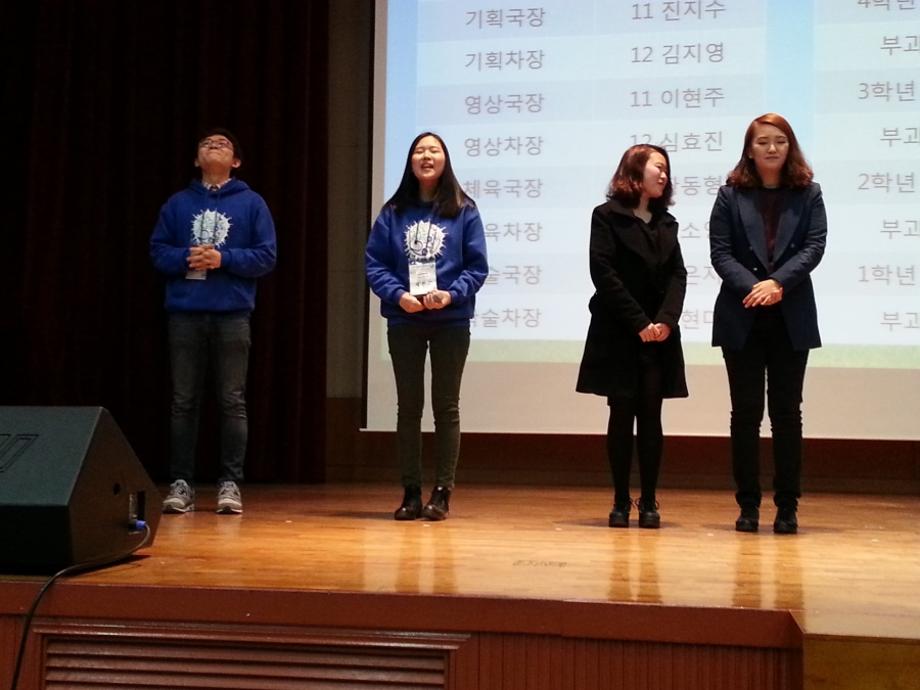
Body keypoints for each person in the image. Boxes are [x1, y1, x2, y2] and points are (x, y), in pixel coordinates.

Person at [709, 113, 826, 535]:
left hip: (791, 315)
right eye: (762, 141)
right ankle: (748, 505)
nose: (771, 148)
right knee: (745, 414)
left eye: (779, 140)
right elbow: (720, 253)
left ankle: (788, 506)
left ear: (790, 146)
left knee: (787, 413)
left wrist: (777, 284)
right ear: (749, 149)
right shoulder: (730, 195)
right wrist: (756, 287)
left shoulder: (808, 193)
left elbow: (814, 246)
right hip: (742, 314)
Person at [150, 127, 277, 515]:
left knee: (232, 401)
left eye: (223, 144)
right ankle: (181, 483)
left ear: (236, 161)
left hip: (232, 314)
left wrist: (224, 259)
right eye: (206, 143)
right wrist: (185, 258)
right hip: (185, 313)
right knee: (183, 401)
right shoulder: (177, 203)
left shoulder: (252, 203)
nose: (214, 145)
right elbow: (157, 251)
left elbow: (266, 256)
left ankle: (229, 483)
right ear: (196, 159)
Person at [365, 132, 488, 521]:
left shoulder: (464, 210)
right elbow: (375, 264)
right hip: (405, 318)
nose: (426, 156)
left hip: (450, 319)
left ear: (445, 160)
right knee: (408, 407)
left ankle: (443, 492)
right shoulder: (393, 211)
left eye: (434, 150)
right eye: (419, 150)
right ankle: (411, 492)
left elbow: (477, 267)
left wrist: (451, 295)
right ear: (411, 161)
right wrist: (398, 295)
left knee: (446, 406)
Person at [576, 144, 688, 529]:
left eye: (667, 169)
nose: (664, 175)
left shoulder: (666, 222)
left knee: (652, 417)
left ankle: (650, 499)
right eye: (658, 167)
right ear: (635, 171)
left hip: (659, 335)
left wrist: (666, 321)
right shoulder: (607, 216)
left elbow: (678, 275)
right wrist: (639, 322)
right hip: (620, 332)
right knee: (621, 415)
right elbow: (603, 273)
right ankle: (621, 499)